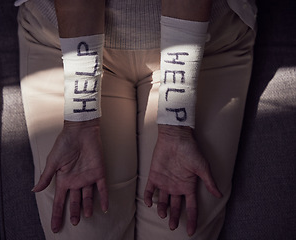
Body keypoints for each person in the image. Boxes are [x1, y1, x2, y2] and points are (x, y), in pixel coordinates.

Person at [16, 0, 257, 239]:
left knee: (181, 230)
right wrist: (81, 119)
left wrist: (177, 125)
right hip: (64, 39)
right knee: (82, 230)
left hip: (206, 41)